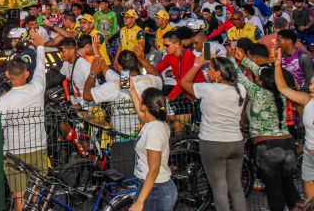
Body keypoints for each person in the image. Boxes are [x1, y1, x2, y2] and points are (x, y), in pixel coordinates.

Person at [0, 29, 48, 211]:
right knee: (36, 194)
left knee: (19, 198)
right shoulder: (37, 89)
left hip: (15, 154)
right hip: (39, 149)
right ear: (26, 74)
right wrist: (40, 46)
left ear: (7, 75)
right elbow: (40, 67)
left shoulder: (5, 102)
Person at [230, 47, 301, 211]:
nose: (256, 78)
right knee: (289, 187)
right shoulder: (282, 93)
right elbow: (263, 73)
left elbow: (238, 75)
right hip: (288, 144)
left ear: (261, 82)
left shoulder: (256, 92)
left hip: (267, 147)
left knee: (274, 191)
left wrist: (234, 58)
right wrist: (244, 59)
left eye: (258, 78)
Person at [180, 56, 247, 211]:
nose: (207, 72)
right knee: (236, 188)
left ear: (218, 73)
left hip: (213, 143)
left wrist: (197, 63)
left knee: (219, 189)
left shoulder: (208, 89)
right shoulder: (240, 89)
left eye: (209, 69)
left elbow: (184, 82)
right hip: (236, 142)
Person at [83, 52, 162, 136]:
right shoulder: (150, 79)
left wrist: (93, 73)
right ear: (137, 63)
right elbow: (159, 77)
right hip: (147, 133)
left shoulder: (117, 85)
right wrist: (142, 59)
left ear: (119, 67)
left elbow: (87, 95)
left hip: (122, 137)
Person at [128, 87, 176, 211]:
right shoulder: (154, 122)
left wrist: (140, 201)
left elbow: (154, 170)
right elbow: (142, 116)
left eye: (141, 99)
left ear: (145, 106)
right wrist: (132, 90)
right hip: (151, 187)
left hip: (156, 191)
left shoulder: (154, 131)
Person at [274, 55, 314, 200]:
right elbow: (282, 88)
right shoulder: (307, 100)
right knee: (309, 198)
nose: (311, 87)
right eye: (311, 84)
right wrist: (277, 66)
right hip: (309, 156)